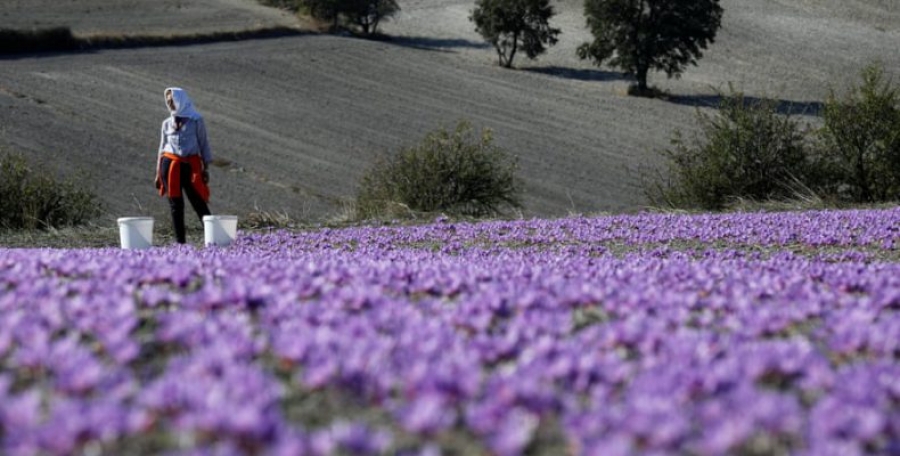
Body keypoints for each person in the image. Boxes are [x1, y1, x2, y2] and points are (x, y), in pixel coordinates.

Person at [155, 87, 212, 244]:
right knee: (175, 204)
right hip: (170, 165)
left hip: (190, 165)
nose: (170, 104)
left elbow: (203, 143)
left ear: (181, 100)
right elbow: (162, 147)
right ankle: (180, 243)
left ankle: (214, 237)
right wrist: (158, 173)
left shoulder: (196, 120)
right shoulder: (167, 124)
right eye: (168, 101)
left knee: (198, 201)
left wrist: (206, 167)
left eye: (173, 100)